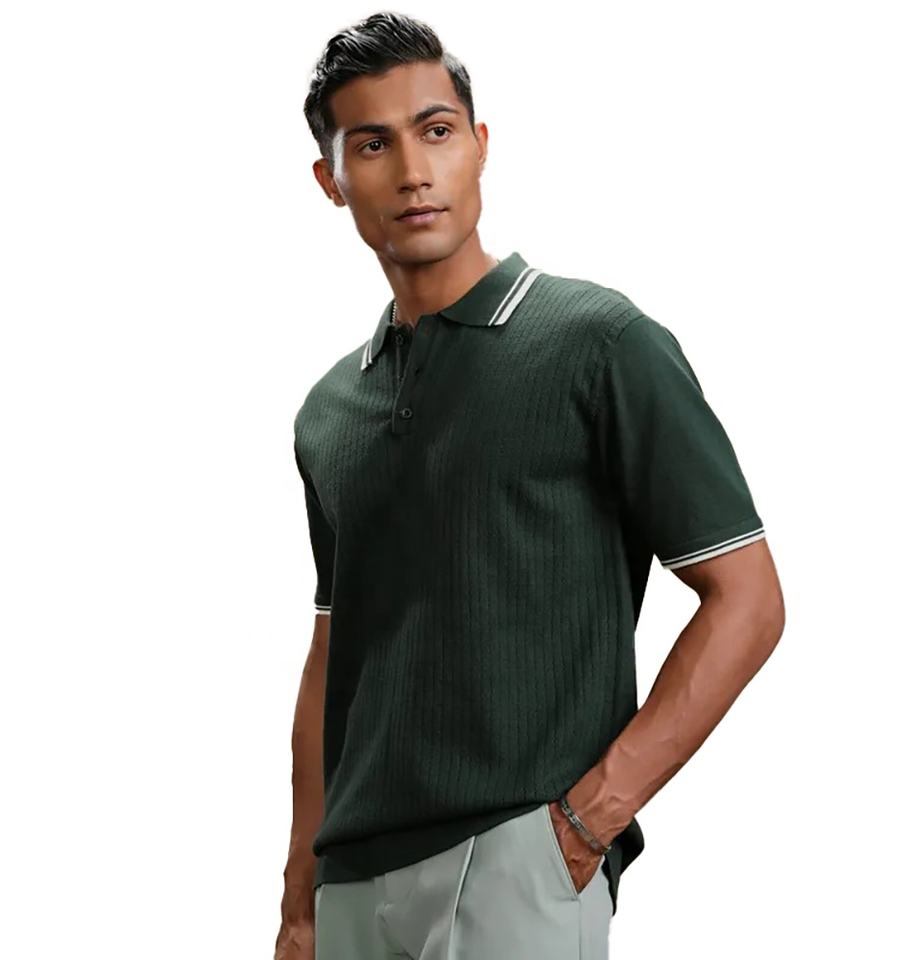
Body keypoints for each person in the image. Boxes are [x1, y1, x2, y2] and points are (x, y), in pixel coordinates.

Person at [275, 11, 785, 960]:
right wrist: (300, 894)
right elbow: (333, 656)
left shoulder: (600, 343)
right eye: (372, 145)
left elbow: (747, 599)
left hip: (515, 857)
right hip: (349, 884)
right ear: (329, 180)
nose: (413, 171)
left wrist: (588, 821)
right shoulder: (328, 412)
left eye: (435, 131)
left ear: (479, 144)